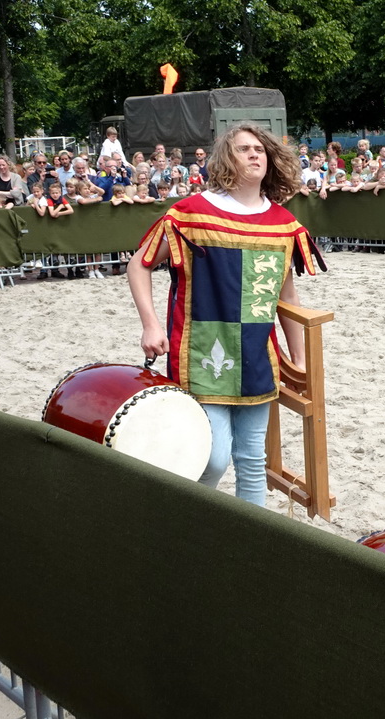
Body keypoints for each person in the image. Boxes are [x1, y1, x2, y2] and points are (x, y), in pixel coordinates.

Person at [128, 123, 325, 507]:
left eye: (260, 150)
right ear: (225, 159)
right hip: (199, 353)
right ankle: (194, 529)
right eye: (243, 149)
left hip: (257, 356)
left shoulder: (283, 223)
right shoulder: (191, 213)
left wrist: (299, 357)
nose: (254, 155)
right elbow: (140, 265)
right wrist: (151, 325)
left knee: (252, 460)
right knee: (212, 459)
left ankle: (251, 544)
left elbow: (287, 295)